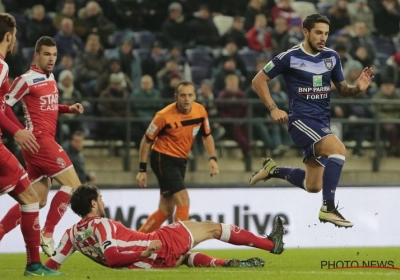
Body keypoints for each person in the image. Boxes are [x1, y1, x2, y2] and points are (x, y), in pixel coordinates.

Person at [250, 14, 374, 228]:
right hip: (300, 121)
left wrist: (358, 89)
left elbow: (343, 90)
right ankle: (329, 208)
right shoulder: (289, 57)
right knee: (339, 150)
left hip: (321, 123)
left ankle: (273, 170)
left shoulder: (332, 57)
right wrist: (273, 108)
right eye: (318, 32)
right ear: (305, 32)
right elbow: (258, 80)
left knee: (313, 185)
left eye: (326, 33)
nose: (323, 37)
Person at [45, 184, 285, 270]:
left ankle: (225, 264)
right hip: (155, 247)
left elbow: (50, 267)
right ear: (93, 203)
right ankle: (271, 244)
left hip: (146, 265)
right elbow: (113, 257)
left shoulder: (71, 234)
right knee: (212, 228)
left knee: (184, 257)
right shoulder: (101, 224)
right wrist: (146, 250)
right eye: (101, 198)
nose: (103, 202)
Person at [0, 36, 84, 257]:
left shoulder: (51, 76)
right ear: (36, 55)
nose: (51, 59)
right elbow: (3, 105)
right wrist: (18, 130)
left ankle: (0, 230)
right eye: (47, 54)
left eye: (54, 55)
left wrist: (68, 109)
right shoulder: (25, 80)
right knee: (74, 185)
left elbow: (49, 105)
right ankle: (47, 233)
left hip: (39, 144)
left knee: (36, 199)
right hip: (39, 141)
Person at [0, 13, 62, 276]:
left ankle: (34, 264)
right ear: (9, 36)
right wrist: (16, 131)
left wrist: (21, 129)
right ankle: (34, 264)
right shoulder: (1, 66)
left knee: (31, 195)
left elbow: (3, 105)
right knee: (30, 196)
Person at [136, 81, 219, 233]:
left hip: (181, 160)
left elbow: (207, 136)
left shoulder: (200, 111)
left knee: (166, 209)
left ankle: (135, 242)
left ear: (195, 96)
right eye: (183, 95)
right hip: (163, 158)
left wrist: (212, 158)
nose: (186, 99)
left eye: (190, 95)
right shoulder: (163, 116)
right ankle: (179, 246)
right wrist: (142, 169)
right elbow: (146, 141)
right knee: (183, 200)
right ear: (176, 97)